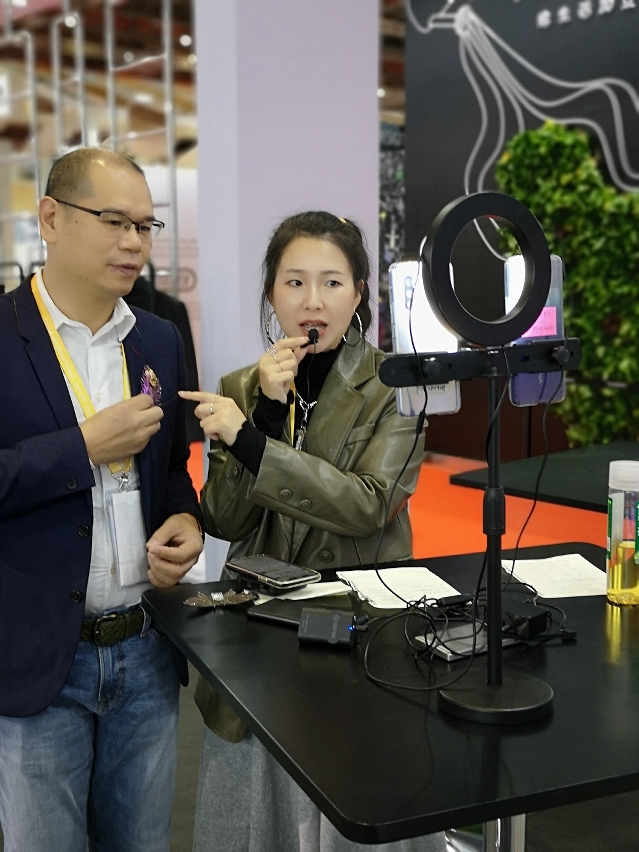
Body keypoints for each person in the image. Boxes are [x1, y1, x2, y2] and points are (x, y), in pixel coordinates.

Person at [181, 211, 445, 852]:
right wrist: (265, 415)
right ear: (272, 293)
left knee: (352, 800)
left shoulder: (396, 385)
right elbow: (226, 520)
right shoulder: (241, 387)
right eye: (294, 282)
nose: (312, 301)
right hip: (258, 630)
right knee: (256, 814)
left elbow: (371, 505)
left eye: (332, 282)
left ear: (358, 294)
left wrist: (251, 443)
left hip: (359, 629)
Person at [0, 148, 203, 852]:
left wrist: (186, 520)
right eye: (114, 221)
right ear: (51, 218)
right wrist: (81, 445)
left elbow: (171, 469)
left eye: (145, 226)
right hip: (38, 659)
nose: (134, 243)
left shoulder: (158, 339)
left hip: (144, 650)